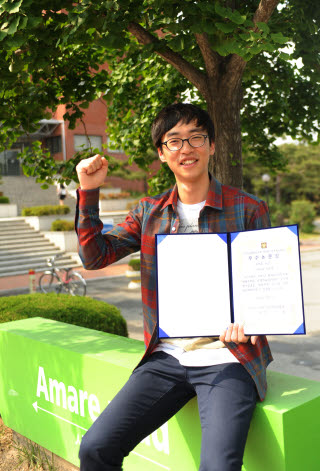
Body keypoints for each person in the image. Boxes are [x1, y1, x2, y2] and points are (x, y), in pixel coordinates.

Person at [76, 103, 273, 471]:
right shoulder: (148, 212)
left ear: (212, 146)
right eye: (174, 141)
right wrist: (89, 191)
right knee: (95, 448)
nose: (187, 148)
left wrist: (252, 324)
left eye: (196, 137)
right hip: (165, 358)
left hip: (226, 357)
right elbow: (94, 256)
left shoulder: (247, 208)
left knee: (218, 467)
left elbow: (266, 287)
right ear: (162, 154)